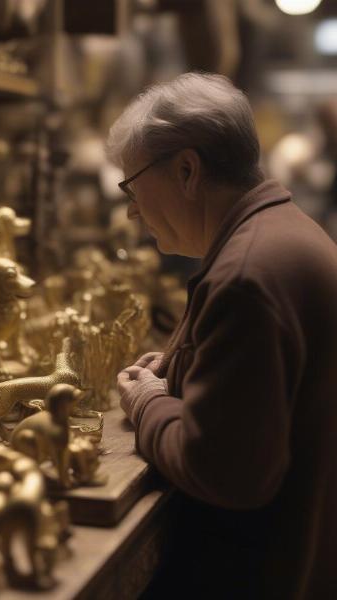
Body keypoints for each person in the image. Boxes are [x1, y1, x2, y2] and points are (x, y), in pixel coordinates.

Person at [109, 72, 337, 599]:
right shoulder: (281, 231)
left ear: (187, 170)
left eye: (133, 184)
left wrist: (147, 405)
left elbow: (227, 473)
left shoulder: (245, 275)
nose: (131, 209)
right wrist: (188, 367)